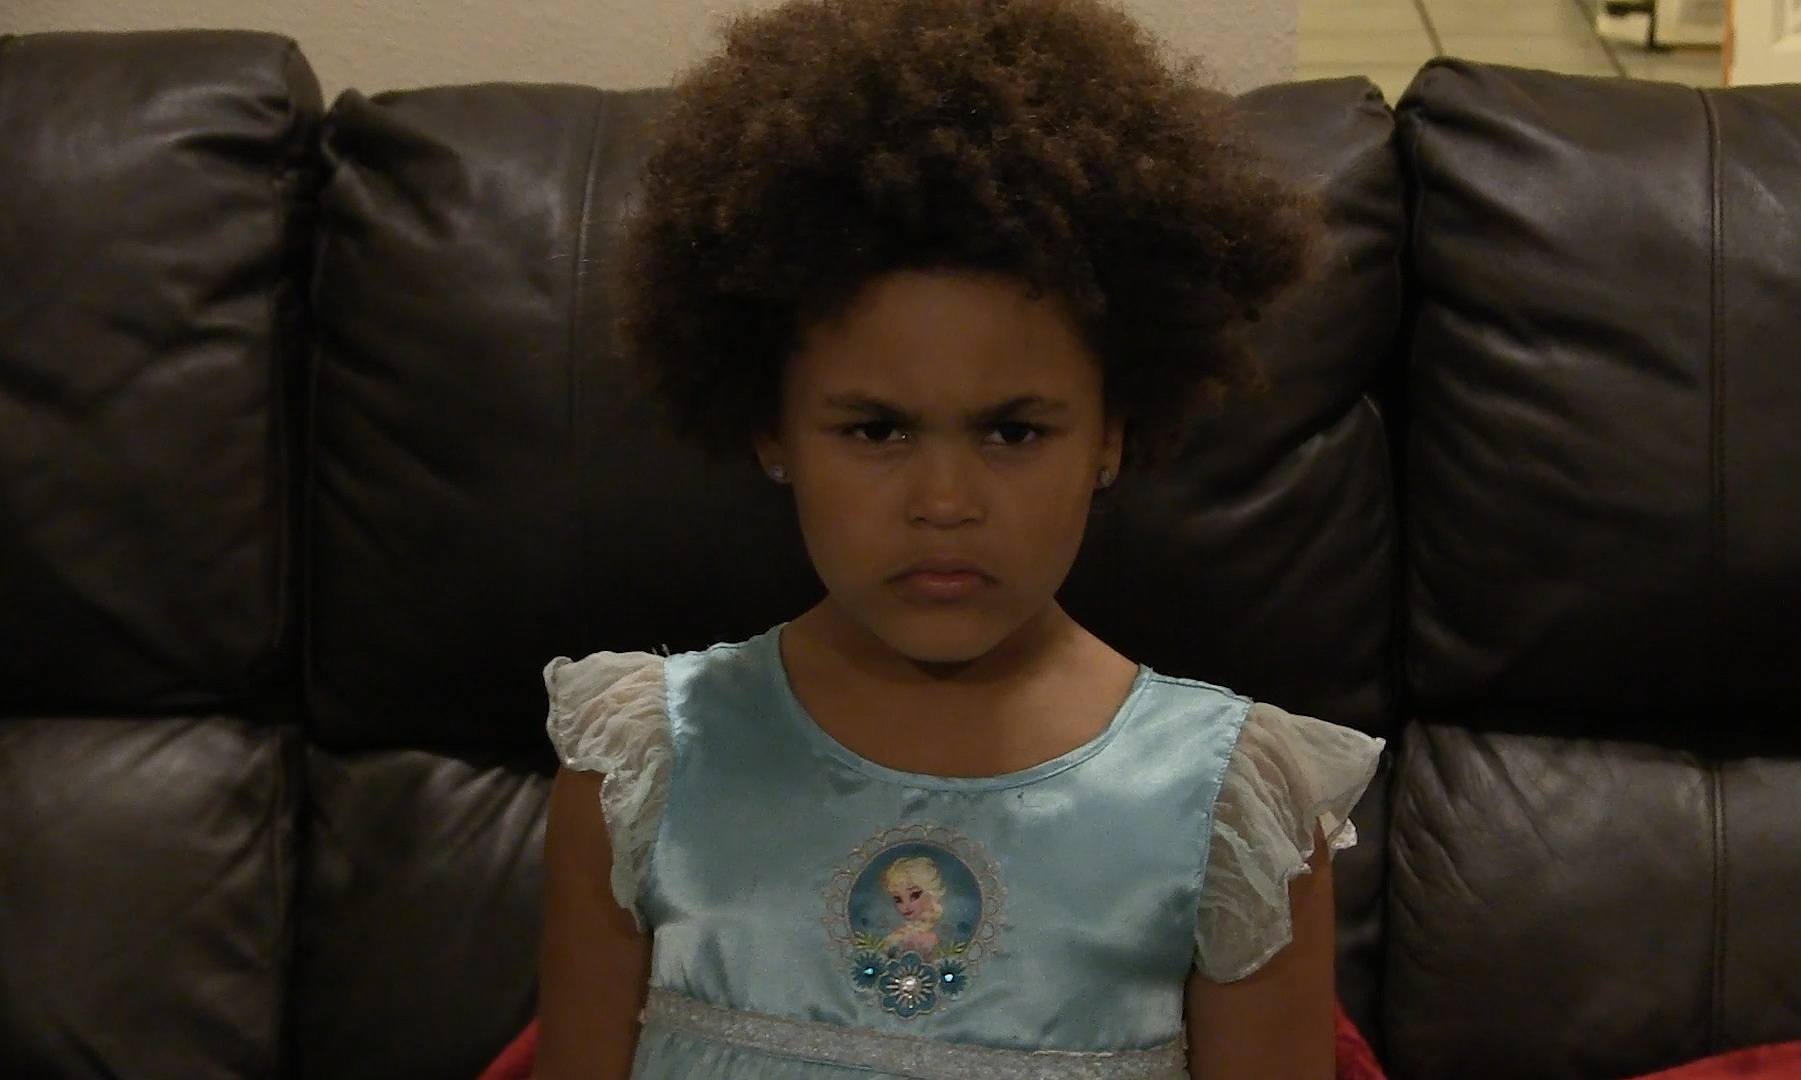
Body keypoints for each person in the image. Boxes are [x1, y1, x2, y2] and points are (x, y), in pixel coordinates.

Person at [534, 0, 1385, 1076]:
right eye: (876, 429)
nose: (944, 501)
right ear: (769, 428)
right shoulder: (640, 771)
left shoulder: (1234, 812)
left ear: (1112, 434)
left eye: (1013, 431)